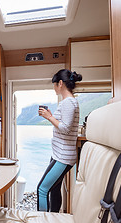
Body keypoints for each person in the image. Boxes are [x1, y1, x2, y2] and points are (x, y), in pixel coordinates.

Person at [37, 69, 82, 212]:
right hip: (60, 154)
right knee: (55, 189)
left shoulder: (68, 102)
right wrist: (51, 116)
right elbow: (63, 124)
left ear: (60, 83)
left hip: (63, 157)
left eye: (54, 84)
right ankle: (53, 221)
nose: (54, 87)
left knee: (42, 189)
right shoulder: (69, 102)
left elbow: (66, 128)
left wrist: (49, 117)